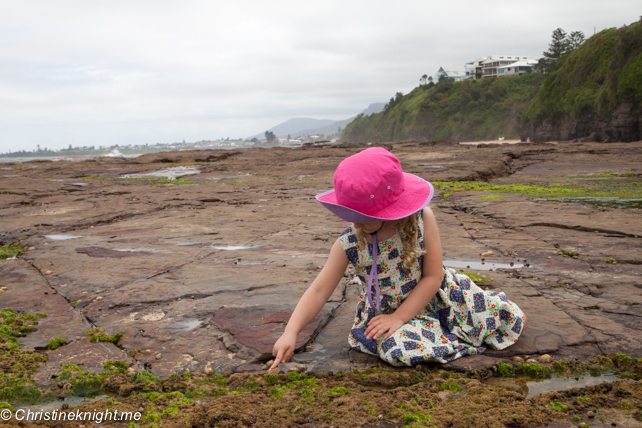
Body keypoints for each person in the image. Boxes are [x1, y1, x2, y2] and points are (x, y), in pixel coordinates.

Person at [271, 147, 526, 368]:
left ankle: (479, 316)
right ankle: (442, 337)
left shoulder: (421, 220)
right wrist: (290, 332)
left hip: (438, 297)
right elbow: (318, 290)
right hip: (386, 313)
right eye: (350, 215)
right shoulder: (348, 243)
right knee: (396, 350)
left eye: (363, 216)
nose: (356, 223)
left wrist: (400, 317)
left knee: (504, 318)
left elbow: (433, 276)